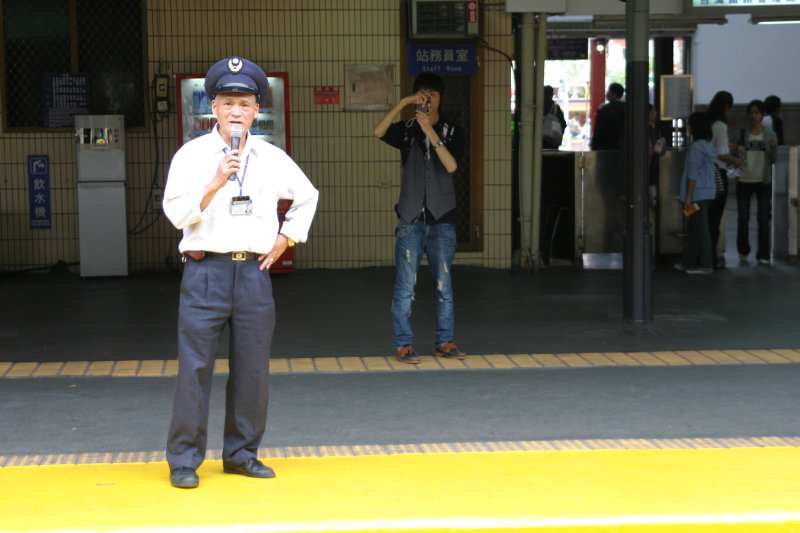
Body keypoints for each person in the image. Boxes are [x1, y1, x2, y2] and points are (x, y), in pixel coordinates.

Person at [162, 57, 319, 488]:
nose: (236, 111)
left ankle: (242, 453)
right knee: (194, 367)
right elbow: (175, 214)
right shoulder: (191, 156)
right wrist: (214, 183)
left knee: (252, 368)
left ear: (256, 111)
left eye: (244, 103)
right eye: (228, 102)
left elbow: (307, 196)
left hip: (252, 273)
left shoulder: (271, 157)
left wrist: (287, 238)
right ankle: (183, 459)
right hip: (204, 271)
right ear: (212, 106)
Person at [373, 72, 466, 364]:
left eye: (432, 95)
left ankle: (445, 341)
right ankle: (403, 344)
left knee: (444, 285)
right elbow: (378, 132)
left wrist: (431, 133)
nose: (427, 100)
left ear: (441, 98)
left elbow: (451, 166)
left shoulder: (452, 130)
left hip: (443, 219)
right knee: (405, 287)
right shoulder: (408, 128)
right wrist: (402, 103)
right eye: (422, 95)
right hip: (411, 217)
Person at [736, 99, 777, 265]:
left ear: (762, 114)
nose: (754, 116)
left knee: (763, 218)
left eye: (757, 112)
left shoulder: (769, 134)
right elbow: (738, 156)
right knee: (743, 217)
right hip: (744, 179)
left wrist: (773, 147)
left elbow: (773, 159)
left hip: (763, 180)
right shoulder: (742, 134)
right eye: (751, 112)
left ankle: (763, 254)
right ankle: (743, 250)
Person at [676, 112, 717, 274]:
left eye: (689, 125)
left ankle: (706, 264)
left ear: (694, 127)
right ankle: (689, 263)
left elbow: (692, 175)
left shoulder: (695, 149)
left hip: (696, 196)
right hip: (708, 192)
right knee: (695, 229)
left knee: (700, 230)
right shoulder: (708, 146)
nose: (688, 128)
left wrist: (688, 198)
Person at [706, 90, 742, 269]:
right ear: (727, 107)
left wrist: (727, 146)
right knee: (715, 218)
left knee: (706, 217)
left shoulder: (707, 122)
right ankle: (711, 258)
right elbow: (721, 155)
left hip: (704, 173)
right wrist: (737, 161)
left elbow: (712, 146)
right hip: (717, 174)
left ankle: (705, 257)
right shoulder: (720, 125)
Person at [591, 83, 625, 150]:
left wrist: (594, 146)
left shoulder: (604, 109)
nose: (606, 94)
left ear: (613, 93)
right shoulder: (628, 109)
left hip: (606, 148)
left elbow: (598, 132)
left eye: (608, 91)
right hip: (623, 148)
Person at [543, 85, 567, 149]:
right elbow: (563, 124)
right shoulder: (556, 108)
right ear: (552, 94)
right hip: (552, 142)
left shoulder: (538, 108)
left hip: (539, 142)